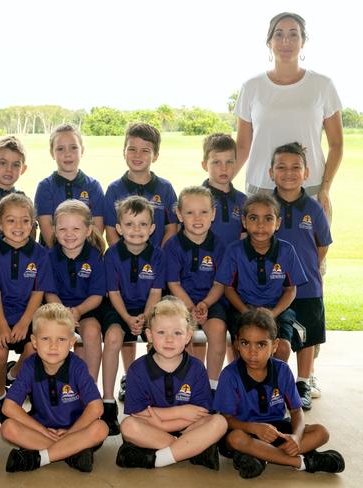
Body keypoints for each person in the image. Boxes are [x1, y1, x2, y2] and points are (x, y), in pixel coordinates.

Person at [234, 11, 343, 219]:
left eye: (294, 34)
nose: (286, 40)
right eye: (278, 34)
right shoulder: (251, 87)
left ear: (303, 42)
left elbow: (336, 144)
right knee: (258, 252)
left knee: (312, 252)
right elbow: (242, 146)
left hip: (310, 190)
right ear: (269, 42)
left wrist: (326, 189)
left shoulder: (323, 85)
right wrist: (217, 184)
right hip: (261, 192)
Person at [213, 308, 345, 479]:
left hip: (277, 430)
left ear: (274, 346)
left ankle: (264, 457)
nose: (252, 352)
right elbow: (227, 420)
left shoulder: (282, 370)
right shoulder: (230, 375)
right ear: (237, 344)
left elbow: (296, 411)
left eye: (261, 344)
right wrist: (254, 428)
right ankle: (302, 461)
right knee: (236, 439)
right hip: (245, 430)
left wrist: (296, 438)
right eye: (245, 343)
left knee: (321, 432)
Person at [103, 123, 179, 403]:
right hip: (124, 269)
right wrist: (127, 257)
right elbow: (111, 230)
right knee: (123, 331)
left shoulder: (165, 188)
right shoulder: (114, 188)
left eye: (145, 150)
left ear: (155, 155)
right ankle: (126, 377)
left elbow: (171, 226)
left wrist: (151, 253)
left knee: (152, 328)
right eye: (132, 149)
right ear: (124, 152)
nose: (137, 155)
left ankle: (149, 381)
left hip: (152, 265)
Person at [116, 297, 227, 471]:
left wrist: (163, 419)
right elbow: (138, 413)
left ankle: (155, 459)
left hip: (188, 427)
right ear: (149, 335)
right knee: (128, 426)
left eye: (177, 333)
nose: (169, 340)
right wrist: (175, 415)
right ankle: (190, 449)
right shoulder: (137, 369)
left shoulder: (197, 368)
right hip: (153, 428)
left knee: (220, 422)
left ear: (188, 336)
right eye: (161, 333)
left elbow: (201, 412)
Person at [0, 303, 109, 472]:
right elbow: (9, 407)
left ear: (72, 342)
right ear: (34, 342)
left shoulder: (77, 366)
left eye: (61, 339)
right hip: (42, 429)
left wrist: (71, 432)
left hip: (76, 429)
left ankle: (39, 458)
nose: (53, 346)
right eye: (45, 339)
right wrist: (43, 431)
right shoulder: (29, 366)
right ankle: (72, 453)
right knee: (7, 428)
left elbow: (96, 407)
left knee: (101, 429)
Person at [269, 142, 332, 410]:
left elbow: (322, 244)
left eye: (296, 167)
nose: (288, 173)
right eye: (281, 167)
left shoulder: (315, 208)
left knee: (309, 337)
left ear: (306, 173)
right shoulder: (266, 206)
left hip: (307, 288)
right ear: (271, 172)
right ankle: (275, 385)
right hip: (274, 289)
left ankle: (303, 382)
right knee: (277, 338)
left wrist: (305, 270)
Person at [215, 194, 307, 362]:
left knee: (283, 347)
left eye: (268, 219)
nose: (260, 225)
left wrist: (273, 313)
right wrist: (245, 311)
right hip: (243, 308)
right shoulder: (234, 250)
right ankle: (242, 386)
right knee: (242, 346)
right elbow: (227, 288)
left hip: (276, 309)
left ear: (277, 223)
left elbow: (291, 289)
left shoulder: (287, 251)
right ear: (244, 222)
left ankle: (274, 386)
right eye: (253, 218)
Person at [0, 193, 54, 414]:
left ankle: (13, 375)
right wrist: (2, 325)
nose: (18, 226)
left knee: (34, 349)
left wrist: (25, 322)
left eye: (25, 220)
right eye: (11, 220)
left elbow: (38, 292)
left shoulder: (40, 254)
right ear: (0, 223)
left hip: (29, 313)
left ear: (33, 223)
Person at [101, 196, 164, 435]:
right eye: (129, 224)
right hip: (119, 308)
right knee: (114, 337)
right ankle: (108, 403)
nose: (136, 230)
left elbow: (156, 292)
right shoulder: (112, 255)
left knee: (159, 338)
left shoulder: (158, 255)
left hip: (149, 307)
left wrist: (146, 318)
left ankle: (154, 398)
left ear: (152, 228)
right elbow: (113, 292)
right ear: (118, 228)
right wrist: (128, 319)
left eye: (142, 224)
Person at [164, 187, 227, 390]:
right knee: (182, 332)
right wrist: (191, 307)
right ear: (180, 215)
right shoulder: (173, 246)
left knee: (217, 330)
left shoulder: (219, 245)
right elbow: (173, 284)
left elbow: (220, 284)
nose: (197, 218)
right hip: (180, 301)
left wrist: (205, 304)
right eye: (190, 213)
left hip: (211, 300)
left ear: (213, 214)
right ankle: (187, 385)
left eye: (204, 212)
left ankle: (212, 386)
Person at [46, 199, 106, 382]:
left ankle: (90, 386)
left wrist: (78, 311)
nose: (69, 234)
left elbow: (97, 295)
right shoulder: (49, 257)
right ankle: (52, 383)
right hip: (56, 309)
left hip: (87, 309)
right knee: (52, 332)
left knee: (92, 332)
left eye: (76, 229)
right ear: (55, 231)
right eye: (63, 229)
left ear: (88, 231)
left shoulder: (95, 257)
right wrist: (65, 314)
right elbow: (49, 293)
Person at [35, 124, 104, 247]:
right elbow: (47, 230)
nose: (67, 154)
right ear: (52, 153)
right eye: (60, 149)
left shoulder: (93, 187)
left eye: (73, 147)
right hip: (53, 259)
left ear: (82, 150)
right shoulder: (45, 187)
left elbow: (97, 229)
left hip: (85, 259)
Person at [200, 133, 246, 247]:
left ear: (236, 163)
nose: (224, 168)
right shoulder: (196, 199)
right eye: (216, 162)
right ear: (205, 165)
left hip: (232, 262)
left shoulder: (243, 200)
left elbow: (244, 236)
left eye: (229, 162)